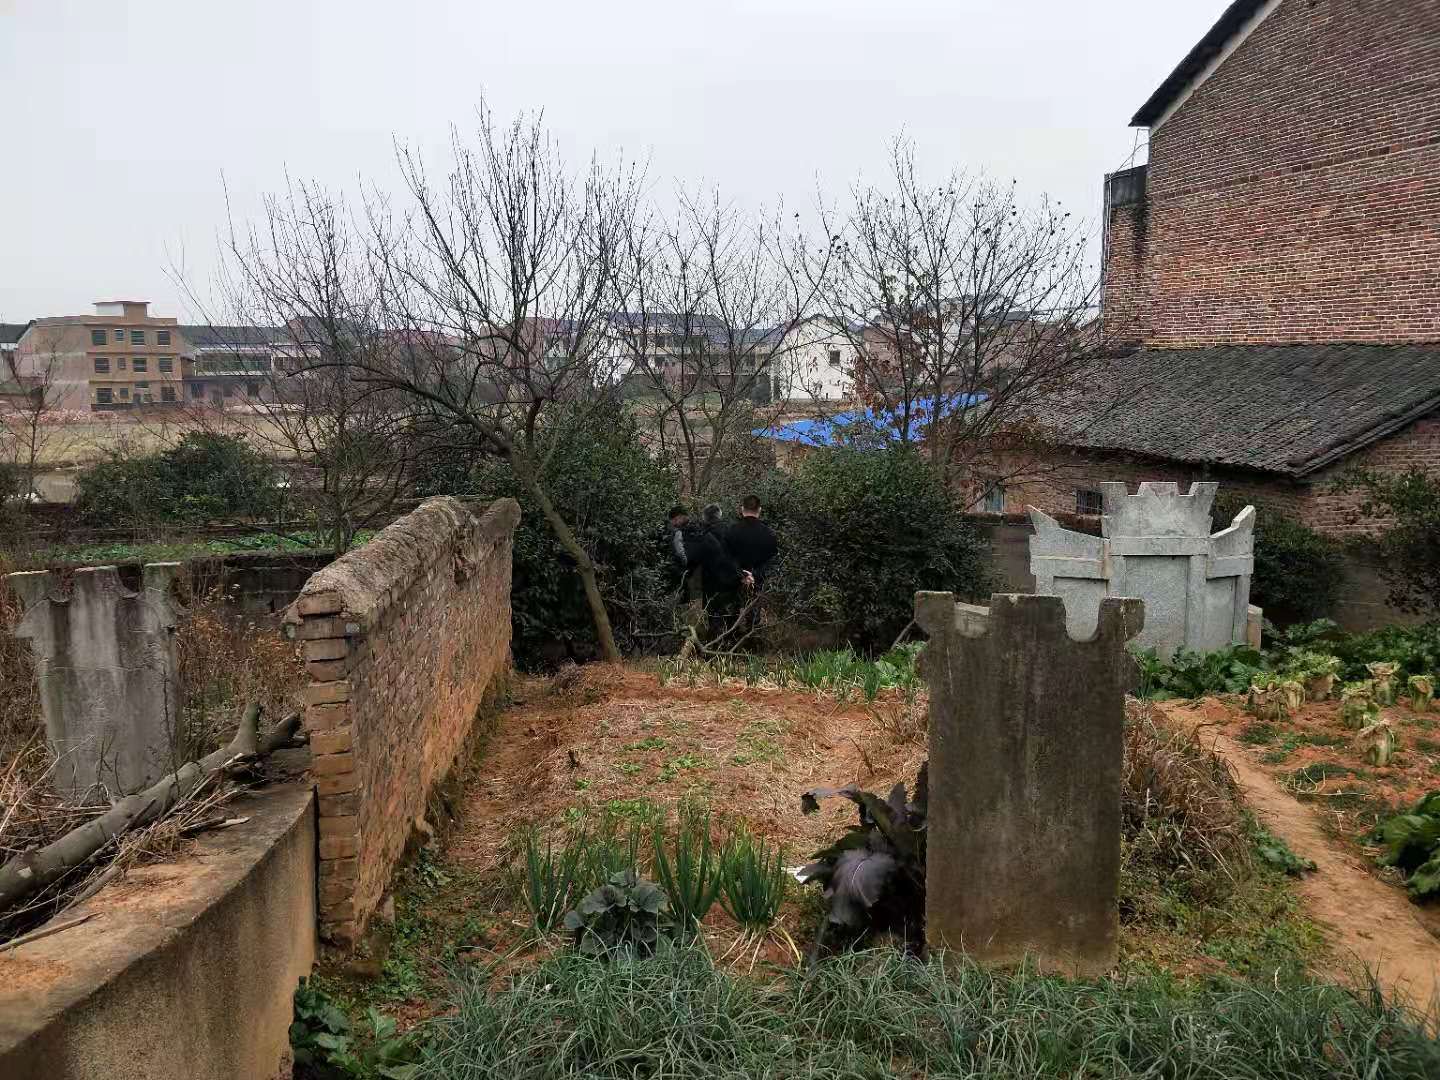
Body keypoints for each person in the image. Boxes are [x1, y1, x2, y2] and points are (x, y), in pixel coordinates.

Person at [725, 494, 778, 590]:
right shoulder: (770, 533)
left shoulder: (730, 531)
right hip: (761, 588)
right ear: (759, 510)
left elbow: (725, 557)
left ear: (742, 509)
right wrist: (755, 575)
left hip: (733, 585)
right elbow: (772, 561)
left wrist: (741, 574)